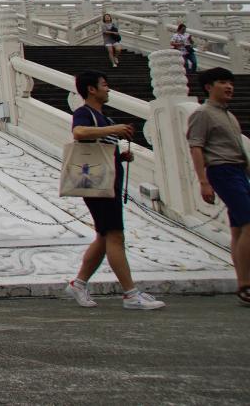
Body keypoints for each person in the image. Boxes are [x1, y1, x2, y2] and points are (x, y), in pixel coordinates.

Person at [64, 72, 165, 311]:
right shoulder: (85, 113)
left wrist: (120, 156)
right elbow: (79, 132)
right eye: (104, 85)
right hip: (97, 185)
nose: (108, 89)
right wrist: (114, 129)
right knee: (115, 236)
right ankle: (130, 294)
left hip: (108, 182)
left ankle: (79, 283)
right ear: (91, 89)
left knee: (104, 236)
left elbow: (100, 149)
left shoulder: (103, 117)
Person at [186, 67, 249, 306]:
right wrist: (203, 182)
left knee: (238, 228)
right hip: (222, 171)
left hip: (238, 172)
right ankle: (247, 283)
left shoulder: (228, 115)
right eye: (222, 82)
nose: (229, 87)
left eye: (230, 82)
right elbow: (196, 147)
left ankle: (243, 283)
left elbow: (239, 150)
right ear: (208, 87)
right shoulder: (202, 113)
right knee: (248, 224)